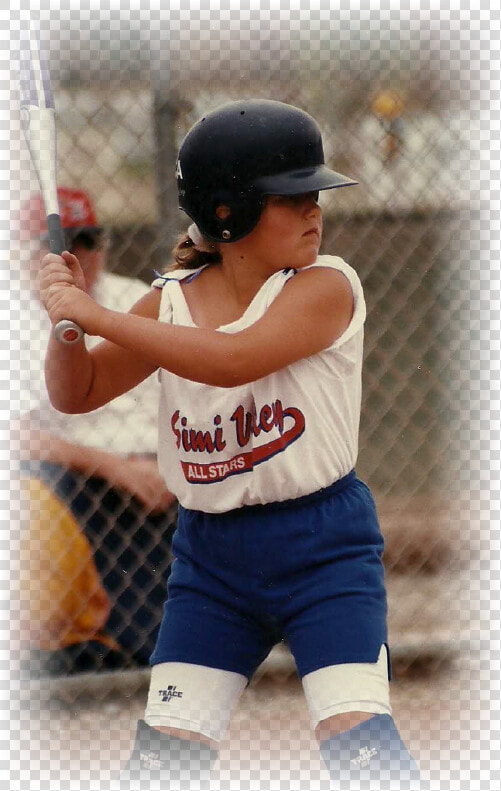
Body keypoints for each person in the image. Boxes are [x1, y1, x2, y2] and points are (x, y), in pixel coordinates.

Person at [38, 101, 423, 789]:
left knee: (357, 744)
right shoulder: (172, 299)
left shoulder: (327, 286)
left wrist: (94, 311)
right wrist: (65, 323)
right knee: (163, 758)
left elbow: (231, 358)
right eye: (290, 197)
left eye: (314, 196)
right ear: (228, 212)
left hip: (322, 550)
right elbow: (80, 390)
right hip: (211, 562)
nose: (314, 211)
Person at [18, 188, 176, 673]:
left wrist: (170, 464)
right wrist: (114, 468)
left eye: (89, 239)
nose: (79, 254)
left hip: (165, 475)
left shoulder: (138, 299)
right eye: (61, 241)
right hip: (77, 480)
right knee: (142, 640)